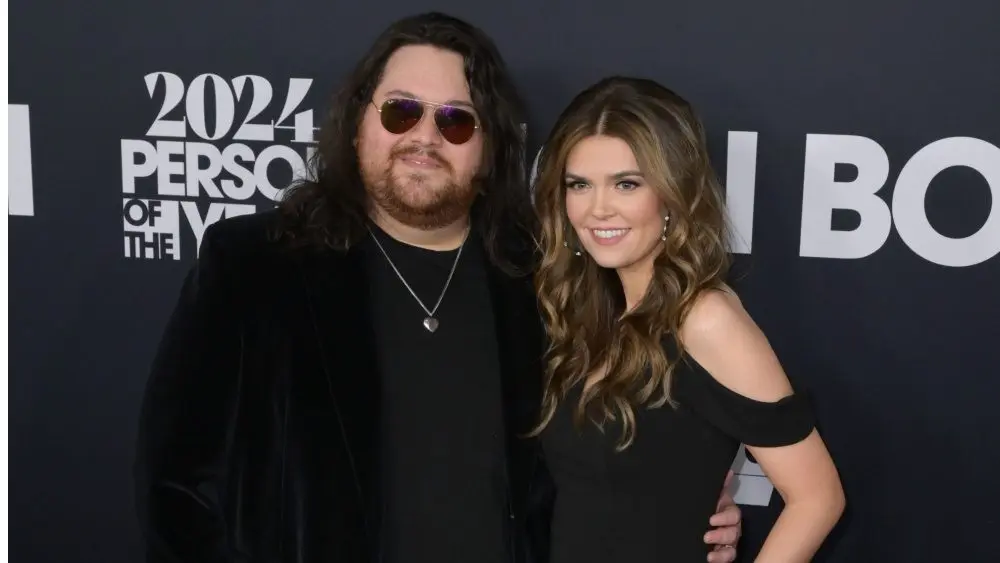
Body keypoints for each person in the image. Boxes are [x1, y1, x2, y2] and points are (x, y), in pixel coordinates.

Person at [132, 13, 743, 563]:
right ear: (356, 124)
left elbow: (602, 459)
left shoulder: (547, 278)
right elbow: (177, 486)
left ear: (489, 148)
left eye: (455, 121)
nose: (424, 137)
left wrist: (686, 511)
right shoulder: (255, 265)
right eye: (401, 111)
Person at [528, 75, 846, 562]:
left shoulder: (704, 319)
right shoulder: (588, 311)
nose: (598, 209)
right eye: (579, 185)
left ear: (674, 194)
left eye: (627, 184)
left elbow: (817, 497)